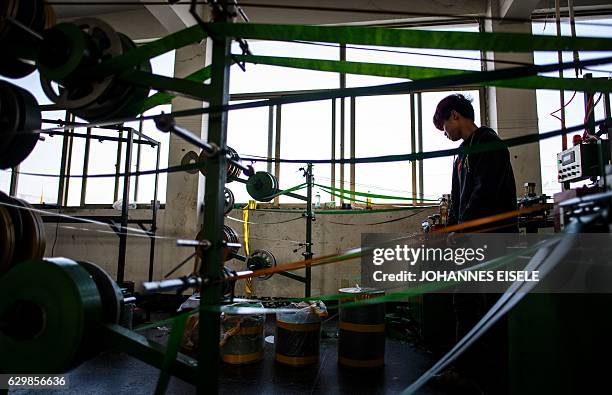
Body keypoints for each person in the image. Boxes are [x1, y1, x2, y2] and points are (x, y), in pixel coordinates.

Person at [431, 94, 517, 394]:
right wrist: (452, 229)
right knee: (464, 304)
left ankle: (492, 380)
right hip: (470, 246)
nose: (445, 134)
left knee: (489, 309)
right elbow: (457, 199)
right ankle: (465, 372)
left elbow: (484, 191)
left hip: (494, 243)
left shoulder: (489, 144)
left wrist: (464, 227)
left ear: (455, 116)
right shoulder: (460, 155)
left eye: (444, 127)